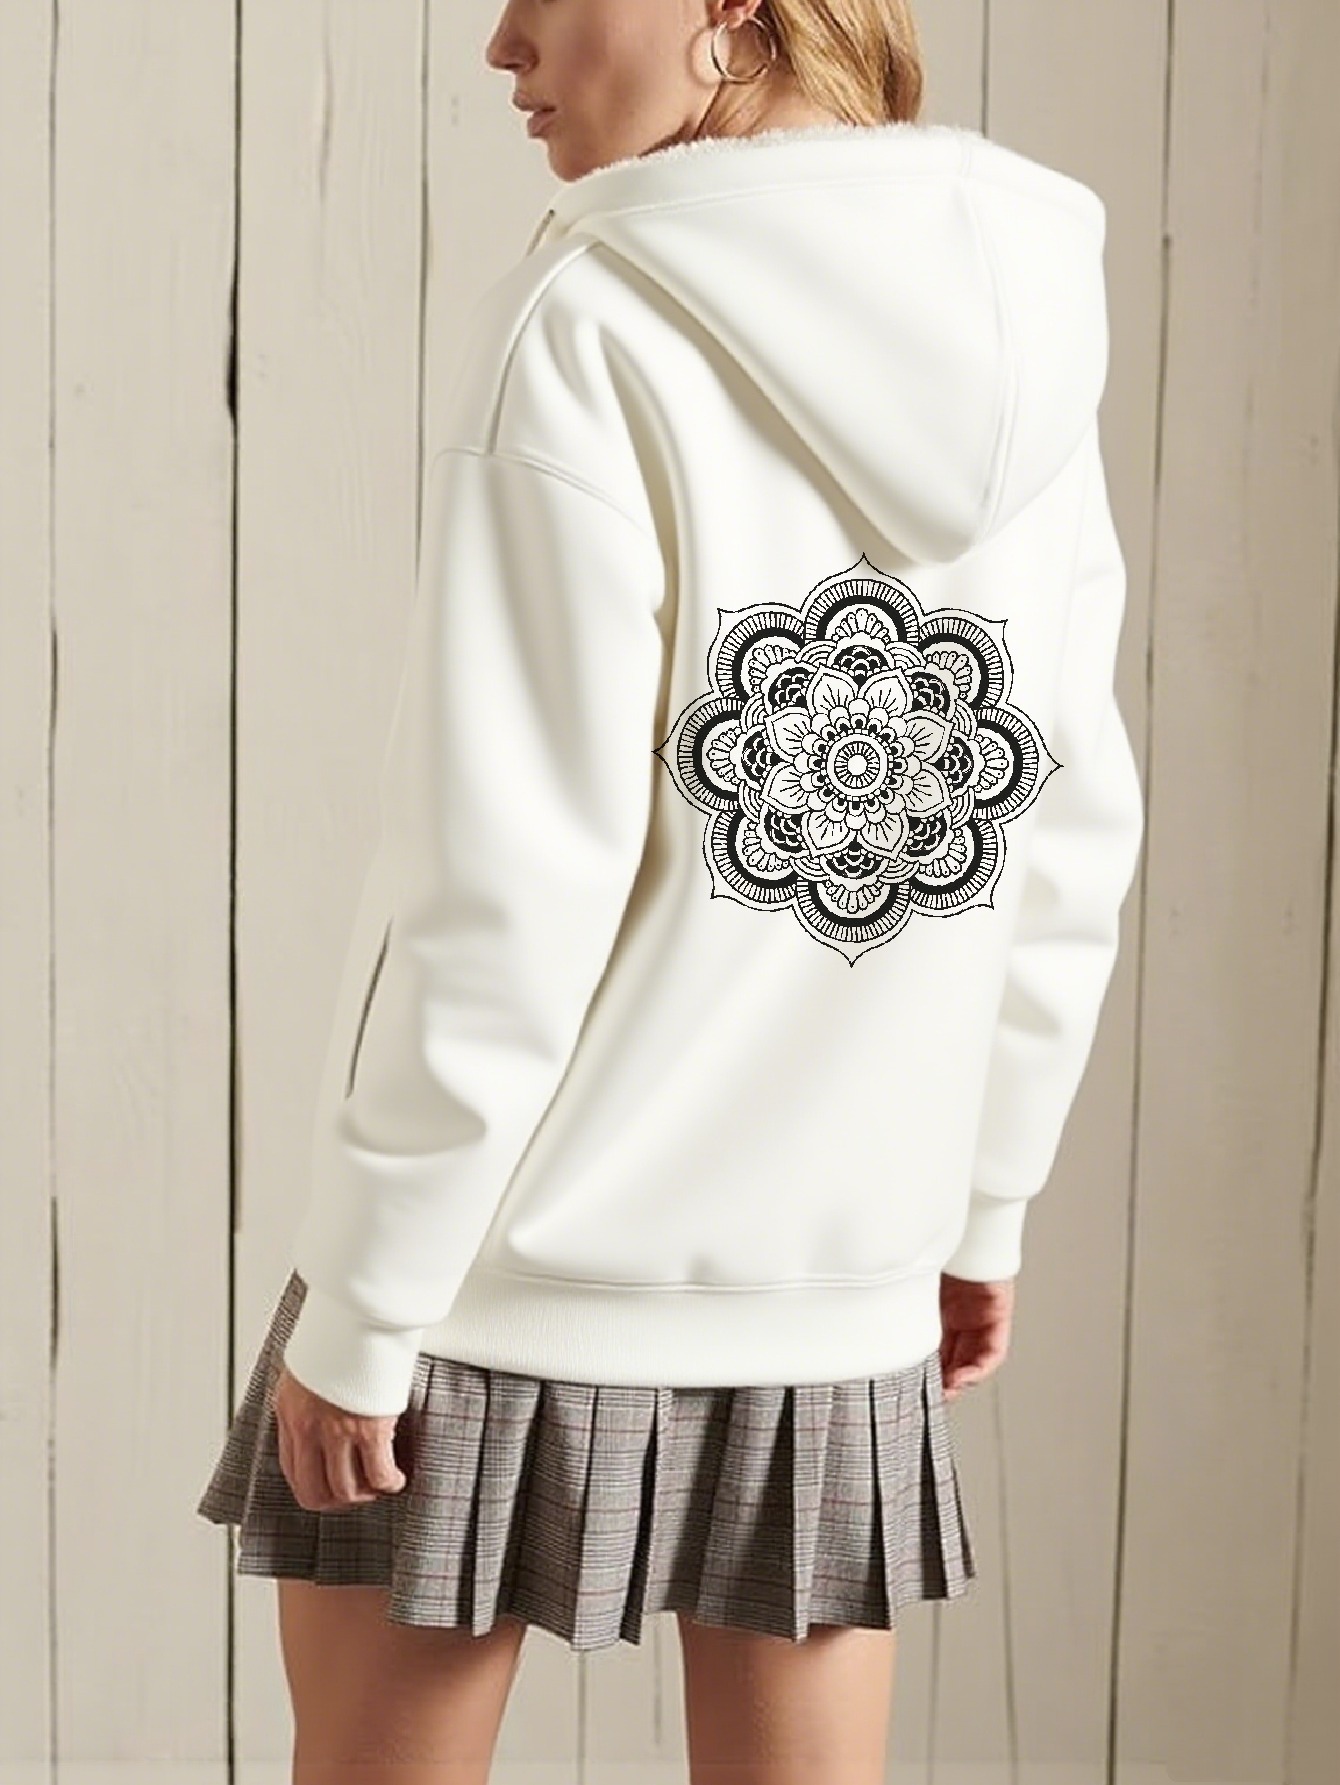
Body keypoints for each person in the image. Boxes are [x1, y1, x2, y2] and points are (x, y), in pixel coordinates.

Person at [196, 0, 1145, 1778]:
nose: (503, 42)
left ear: (727, 10)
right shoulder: (1035, 331)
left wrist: (373, 1297)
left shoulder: (590, 318)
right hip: (843, 1288)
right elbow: (1064, 816)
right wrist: (981, 1206)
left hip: (498, 1277)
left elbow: (508, 875)